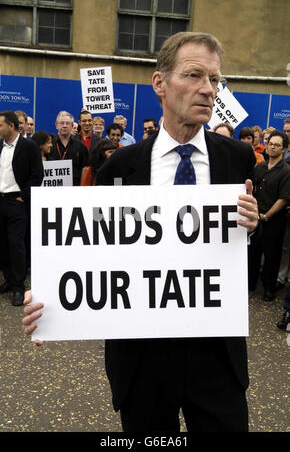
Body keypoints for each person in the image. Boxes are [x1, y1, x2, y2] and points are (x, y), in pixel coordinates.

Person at [23, 31, 258, 432]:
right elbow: (94, 245)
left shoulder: (237, 157)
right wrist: (49, 292)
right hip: (143, 359)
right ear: (160, 84)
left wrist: (249, 228)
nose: (208, 90)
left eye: (215, 79)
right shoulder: (120, 166)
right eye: (194, 75)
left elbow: (235, 250)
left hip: (216, 356)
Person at [0, 110, 43, 306]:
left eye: (0, 125)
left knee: (16, 244)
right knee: (2, 244)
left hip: (17, 203)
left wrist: (23, 197)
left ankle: (19, 287)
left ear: (11, 126)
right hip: (0, 200)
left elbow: (37, 175)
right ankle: (8, 279)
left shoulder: (29, 146)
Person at [249, 130, 290, 301]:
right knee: (253, 253)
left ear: (284, 149)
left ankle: (269, 289)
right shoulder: (260, 167)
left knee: (272, 256)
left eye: (277, 145)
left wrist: (266, 215)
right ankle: (250, 285)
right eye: (270, 144)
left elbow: (283, 199)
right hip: (256, 219)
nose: (272, 147)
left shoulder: (286, 171)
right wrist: (256, 215)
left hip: (274, 220)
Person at [49, 111, 89, 186]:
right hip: (53, 188)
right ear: (56, 125)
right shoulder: (49, 143)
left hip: (75, 189)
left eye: (67, 123)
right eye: (62, 123)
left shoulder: (80, 145)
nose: (64, 126)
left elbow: (85, 169)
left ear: (72, 126)